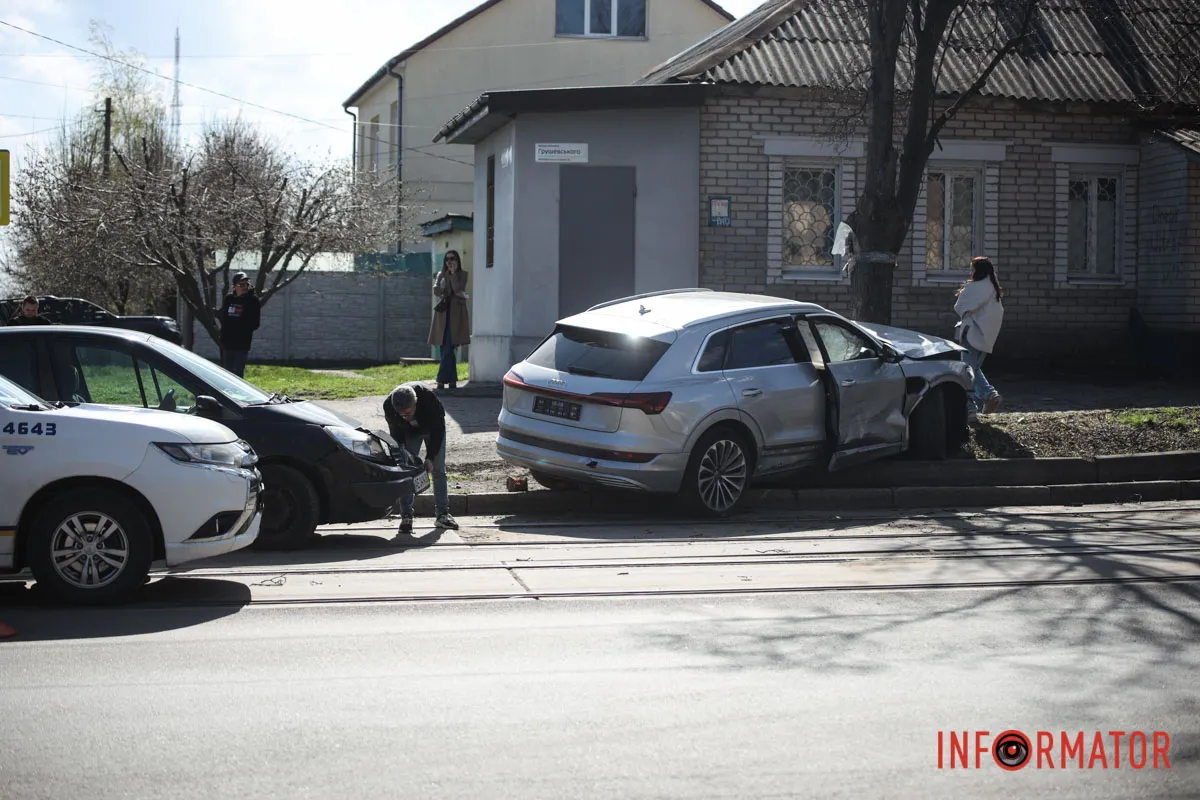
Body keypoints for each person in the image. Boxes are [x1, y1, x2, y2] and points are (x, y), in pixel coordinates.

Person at [383, 382, 458, 532]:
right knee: (407, 470)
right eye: (402, 413)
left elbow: (438, 431)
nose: (406, 415)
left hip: (431, 429)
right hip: (409, 433)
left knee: (438, 470)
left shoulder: (429, 399)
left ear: (416, 402)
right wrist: (403, 455)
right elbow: (396, 435)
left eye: (409, 411)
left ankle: (442, 515)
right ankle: (406, 517)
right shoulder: (389, 406)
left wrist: (430, 457)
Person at [954, 256, 1005, 415]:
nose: (971, 272)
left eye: (973, 268)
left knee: (967, 369)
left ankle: (975, 404)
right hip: (985, 336)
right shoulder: (993, 288)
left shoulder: (978, 287)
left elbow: (961, 306)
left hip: (972, 333)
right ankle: (983, 398)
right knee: (973, 368)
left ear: (979, 270)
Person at [430, 251, 470, 391]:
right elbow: (436, 291)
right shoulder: (441, 274)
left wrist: (453, 275)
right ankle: (452, 380)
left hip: (456, 316)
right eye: (447, 259)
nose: (449, 262)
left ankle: (441, 380)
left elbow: (458, 289)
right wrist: (440, 285)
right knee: (445, 348)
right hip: (443, 316)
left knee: (449, 347)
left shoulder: (463, 275)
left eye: (452, 259)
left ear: (457, 260)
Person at [219, 272, 260, 378]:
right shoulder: (229, 299)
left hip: (242, 344)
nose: (244, 287)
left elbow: (255, 323)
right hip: (227, 343)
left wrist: (240, 329)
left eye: (246, 284)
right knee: (226, 373)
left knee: (238, 373)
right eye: (241, 285)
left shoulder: (253, 301)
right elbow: (224, 318)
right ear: (234, 286)